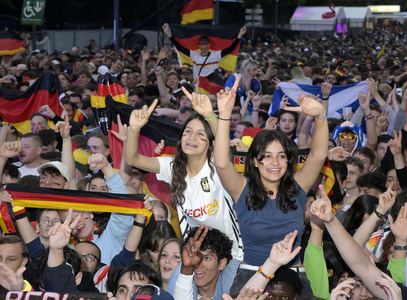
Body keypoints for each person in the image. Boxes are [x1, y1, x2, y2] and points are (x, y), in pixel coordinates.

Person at [214, 76, 328, 295]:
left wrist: (321, 115)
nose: (275, 163)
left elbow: (318, 155)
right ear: (255, 161)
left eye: (281, 156)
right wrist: (225, 115)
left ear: (288, 160)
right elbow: (221, 162)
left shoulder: (298, 186)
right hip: (251, 275)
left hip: (293, 276)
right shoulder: (241, 188)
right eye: (266, 156)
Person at [124, 96, 243, 291]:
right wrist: (135, 129)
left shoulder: (217, 163)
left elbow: (224, 147)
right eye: (187, 132)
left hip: (231, 255)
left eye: (200, 134)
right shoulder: (172, 166)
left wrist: (209, 116)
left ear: (210, 143)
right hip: (193, 254)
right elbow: (133, 159)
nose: (192, 138)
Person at [162, 23, 247, 94]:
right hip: (197, 86)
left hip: (210, 88)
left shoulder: (215, 55)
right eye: (200, 44)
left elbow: (230, 48)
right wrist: (169, 35)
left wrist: (239, 36)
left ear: (209, 45)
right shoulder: (194, 55)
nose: (202, 46)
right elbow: (180, 47)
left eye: (205, 44)